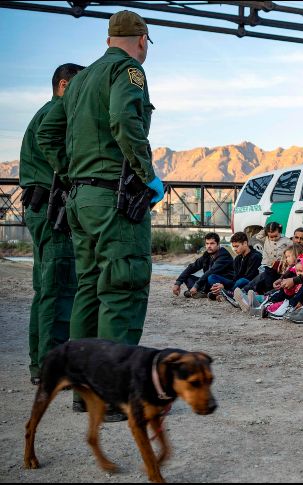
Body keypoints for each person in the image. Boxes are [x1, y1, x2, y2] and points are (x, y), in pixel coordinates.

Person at [36, 10, 161, 420]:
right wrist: (145, 174)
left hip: (80, 200)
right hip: (114, 200)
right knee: (122, 285)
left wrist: (71, 172)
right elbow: (125, 120)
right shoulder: (127, 72)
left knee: (88, 288)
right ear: (141, 39)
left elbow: (47, 133)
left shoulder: (80, 79)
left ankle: (84, 391)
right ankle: (112, 397)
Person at [20, 63, 83, 386]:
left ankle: (41, 364)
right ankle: (51, 367)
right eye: (78, 86)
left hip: (42, 208)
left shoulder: (48, 111)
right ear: (63, 85)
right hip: (50, 210)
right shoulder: (56, 113)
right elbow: (57, 151)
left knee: (46, 291)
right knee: (59, 290)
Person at [172, 233, 234, 298]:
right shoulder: (207, 255)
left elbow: (212, 271)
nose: (209, 246)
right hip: (208, 282)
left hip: (223, 282)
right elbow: (192, 267)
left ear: (218, 244)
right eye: (207, 243)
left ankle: (201, 292)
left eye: (212, 243)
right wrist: (178, 283)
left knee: (211, 277)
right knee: (187, 276)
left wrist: (196, 285)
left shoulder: (224, 255)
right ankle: (201, 292)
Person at [263, 244, 303, 319]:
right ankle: (267, 304)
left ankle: (268, 305)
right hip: (289, 299)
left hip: (297, 301)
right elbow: (288, 275)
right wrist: (283, 282)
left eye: (288, 256)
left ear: (296, 255)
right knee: (274, 294)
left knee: (278, 298)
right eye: (297, 271)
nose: (286, 259)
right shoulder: (293, 270)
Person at [241, 221, 292, 295]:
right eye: (271, 236)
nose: (273, 238)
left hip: (280, 266)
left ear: (280, 232)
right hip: (268, 265)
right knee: (269, 281)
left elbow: (292, 247)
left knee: (277, 280)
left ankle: (271, 294)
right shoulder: (265, 238)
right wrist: (265, 229)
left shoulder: (285, 240)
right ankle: (267, 294)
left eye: (276, 236)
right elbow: (258, 236)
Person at [210, 231, 262, 302]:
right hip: (236, 283)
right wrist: (223, 285)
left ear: (245, 243)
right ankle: (223, 292)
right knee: (212, 277)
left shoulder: (256, 256)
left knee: (241, 281)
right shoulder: (237, 258)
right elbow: (235, 277)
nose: (235, 249)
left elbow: (250, 277)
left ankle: (227, 293)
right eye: (233, 246)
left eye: (237, 246)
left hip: (249, 284)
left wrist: (228, 286)